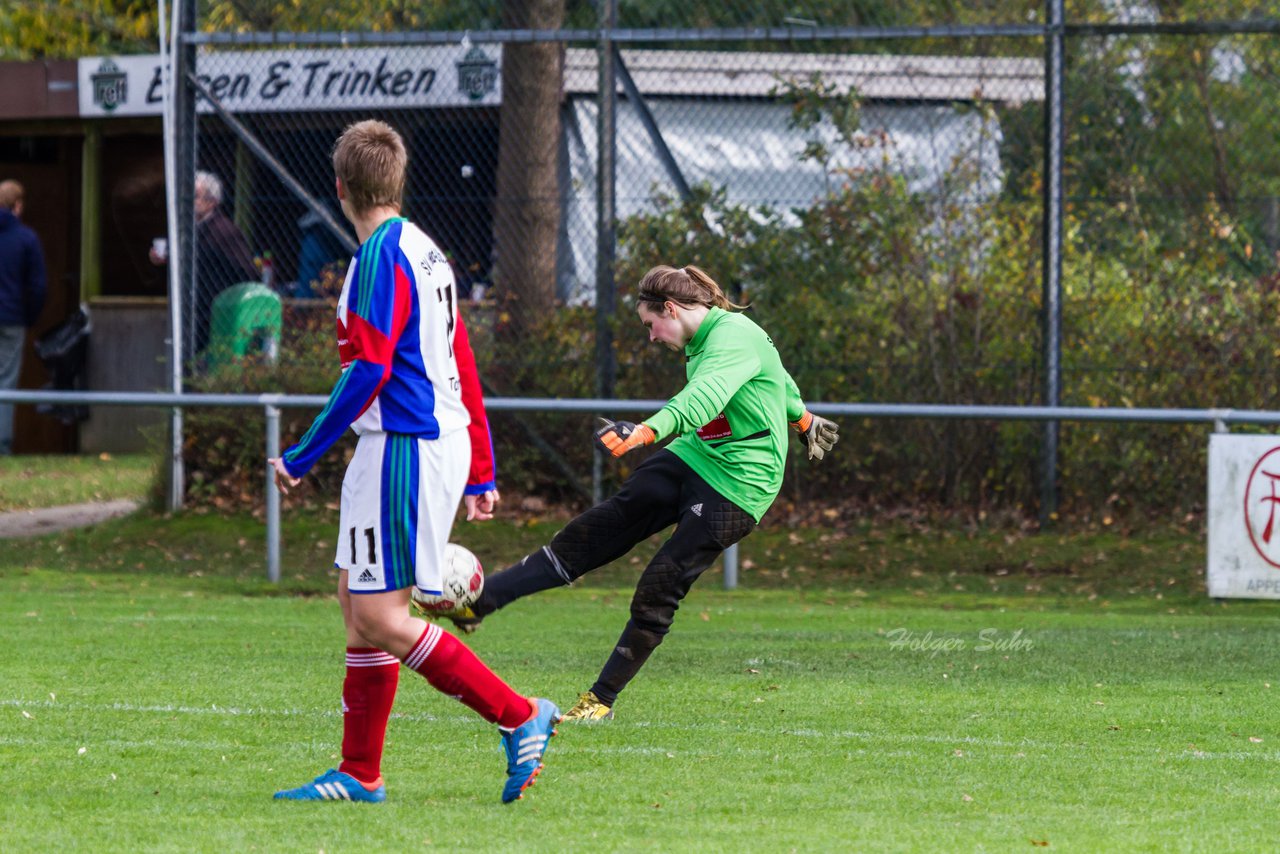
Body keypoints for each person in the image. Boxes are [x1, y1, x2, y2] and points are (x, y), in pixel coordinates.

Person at [266, 119, 561, 805]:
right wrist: (481, 466)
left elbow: (370, 368)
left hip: (404, 445)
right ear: (396, 180)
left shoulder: (377, 258)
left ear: (339, 187)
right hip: (416, 443)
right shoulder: (427, 251)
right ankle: (359, 773)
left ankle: (520, 715)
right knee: (356, 601)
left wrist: (303, 454)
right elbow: (459, 360)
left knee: (381, 615)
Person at [446, 264, 840, 721]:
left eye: (651, 325)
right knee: (594, 532)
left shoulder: (731, 337)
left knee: (660, 585)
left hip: (741, 484)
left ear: (671, 308)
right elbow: (774, 376)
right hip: (697, 455)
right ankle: (479, 603)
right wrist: (802, 417)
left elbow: (705, 397)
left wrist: (648, 431)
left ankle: (600, 701)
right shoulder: (704, 339)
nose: (651, 336)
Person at [150, 170, 257, 354]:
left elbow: (247, 273)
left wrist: (228, 299)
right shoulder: (188, 230)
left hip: (216, 313)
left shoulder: (223, 231)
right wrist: (162, 260)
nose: (189, 201)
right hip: (195, 311)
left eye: (195, 196)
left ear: (212, 202)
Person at [0, 180, 47, 456]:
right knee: (5, 383)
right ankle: (2, 446)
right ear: (18, 206)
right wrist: (29, 317)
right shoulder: (26, 238)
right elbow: (38, 286)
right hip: (11, 319)